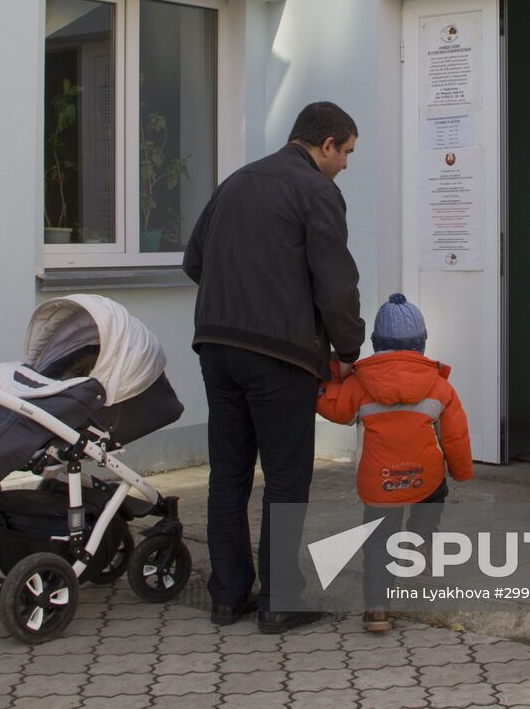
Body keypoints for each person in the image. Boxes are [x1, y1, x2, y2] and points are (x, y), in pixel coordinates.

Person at [183, 101, 365, 634]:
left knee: (229, 474)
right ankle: (279, 600)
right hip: (279, 356)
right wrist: (349, 350)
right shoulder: (317, 191)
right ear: (325, 144)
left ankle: (226, 596)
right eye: (346, 152)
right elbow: (335, 284)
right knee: (286, 477)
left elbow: (194, 261)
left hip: (216, 347)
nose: (346, 164)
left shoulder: (236, 182)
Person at [316, 293, 473, 632]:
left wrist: (332, 375)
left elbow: (333, 408)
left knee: (377, 541)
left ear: (376, 344)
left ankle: (377, 609)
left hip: (380, 482)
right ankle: (419, 541)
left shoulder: (359, 384)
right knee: (434, 494)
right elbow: (456, 437)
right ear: (421, 343)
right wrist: (461, 472)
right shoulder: (439, 386)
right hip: (425, 477)